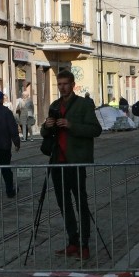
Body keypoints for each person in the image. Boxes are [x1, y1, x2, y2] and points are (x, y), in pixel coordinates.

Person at [42, 70, 103, 260]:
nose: (62, 87)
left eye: (65, 84)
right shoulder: (54, 105)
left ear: (72, 84)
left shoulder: (84, 105)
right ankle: (72, 241)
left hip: (75, 161)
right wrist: (47, 125)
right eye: (59, 84)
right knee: (64, 205)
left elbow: (96, 130)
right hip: (57, 162)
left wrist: (71, 125)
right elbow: (45, 134)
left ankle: (84, 244)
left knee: (81, 204)